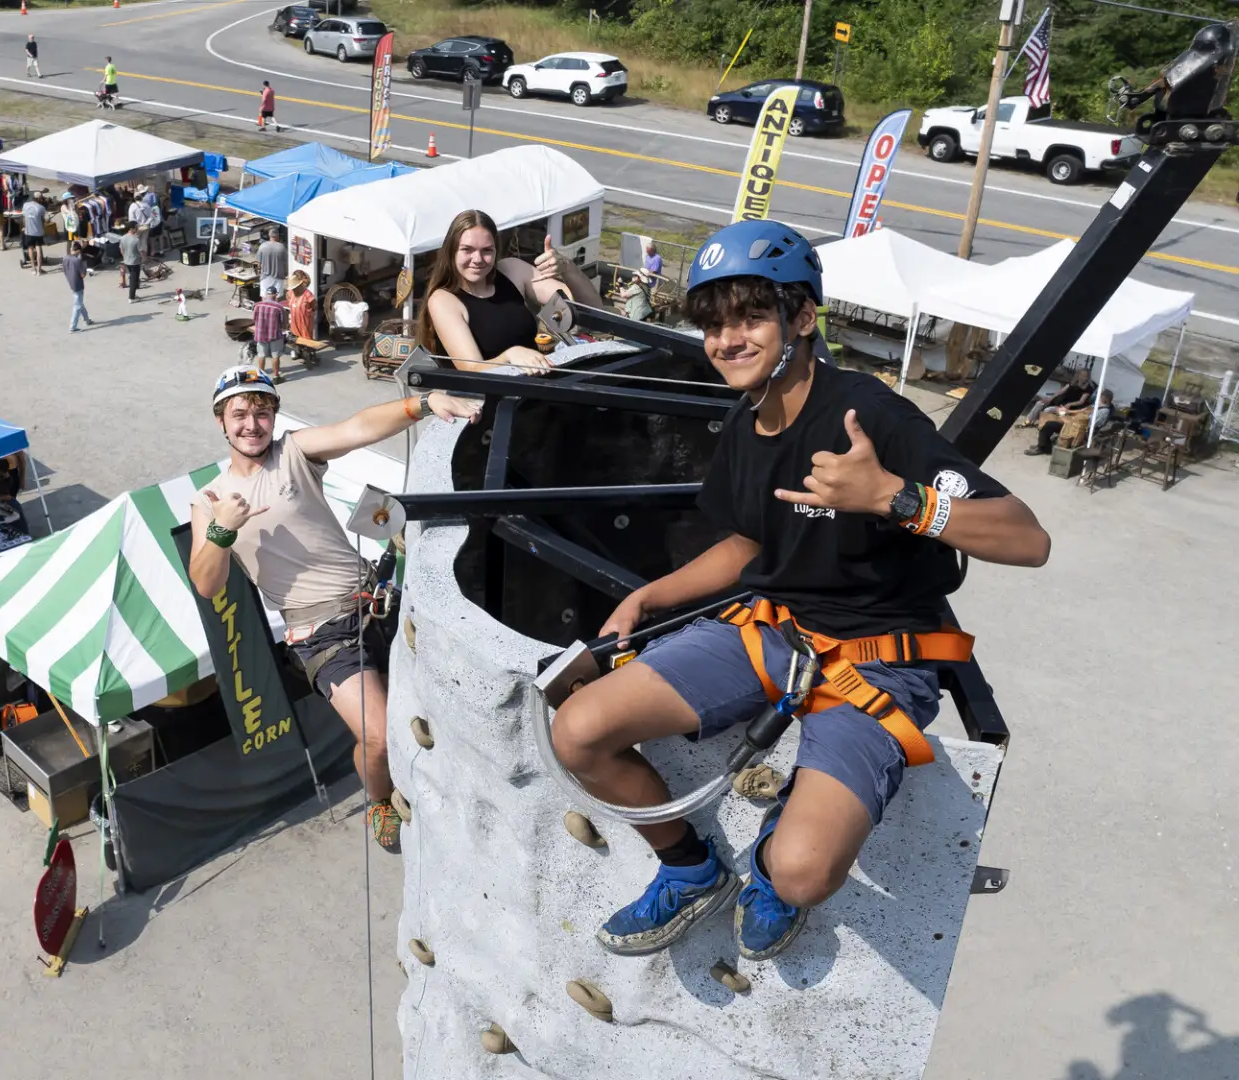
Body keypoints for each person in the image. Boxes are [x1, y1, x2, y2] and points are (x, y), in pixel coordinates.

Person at [547, 219, 1050, 964]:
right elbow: (749, 543)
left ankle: (771, 868)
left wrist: (892, 497)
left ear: (803, 318)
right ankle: (690, 870)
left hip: (876, 660)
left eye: (750, 317)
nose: (726, 341)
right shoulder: (747, 420)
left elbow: (1026, 537)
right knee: (578, 732)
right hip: (772, 631)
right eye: (714, 324)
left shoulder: (868, 416)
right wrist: (650, 598)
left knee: (804, 871)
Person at [191, 367, 480, 851]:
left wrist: (425, 404)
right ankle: (379, 800)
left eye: (262, 412)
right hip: (322, 634)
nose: (252, 424)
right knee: (380, 735)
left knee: (451, 695)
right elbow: (207, 583)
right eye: (239, 414)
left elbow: (357, 427)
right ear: (221, 422)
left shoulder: (294, 454)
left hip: (375, 601)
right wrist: (222, 528)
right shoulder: (211, 501)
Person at [414, 208, 608, 374]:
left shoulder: (512, 271)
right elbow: (472, 369)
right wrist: (510, 356)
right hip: (492, 408)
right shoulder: (444, 300)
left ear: (496, 251)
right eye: (467, 249)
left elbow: (590, 308)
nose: (478, 259)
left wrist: (567, 268)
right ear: (451, 251)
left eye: (486, 250)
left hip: (535, 391)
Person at [1028, 388, 1113, 456]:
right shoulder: (1096, 405)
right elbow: (1081, 411)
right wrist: (1067, 412)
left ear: (1103, 398)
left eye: (1100, 396)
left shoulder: (1104, 411)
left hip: (1080, 429)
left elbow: (1090, 424)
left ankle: (1043, 448)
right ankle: (1043, 445)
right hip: (1074, 423)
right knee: (1050, 419)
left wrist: (1069, 419)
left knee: (1049, 425)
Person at [1019, 366, 1095, 427]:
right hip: (1059, 402)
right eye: (1081, 375)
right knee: (1040, 403)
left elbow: (1081, 401)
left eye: (1085, 376)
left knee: (1047, 410)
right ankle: (1029, 421)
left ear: (1088, 377)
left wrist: (1070, 404)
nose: (1083, 377)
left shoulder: (1088, 388)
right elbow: (1060, 391)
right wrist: (1050, 399)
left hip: (1069, 407)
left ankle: (1040, 424)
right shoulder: (1073, 383)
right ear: (1078, 375)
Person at [251, 285, 289, 382]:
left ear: (266, 295)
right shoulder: (279, 307)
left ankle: (260, 375)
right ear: (276, 295)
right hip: (275, 336)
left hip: (260, 335)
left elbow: (253, 319)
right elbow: (284, 325)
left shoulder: (257, 305)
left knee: (261, 355)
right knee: (275, 356)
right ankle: (276, 377)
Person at [0, 451, 29, 532]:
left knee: (9, 505)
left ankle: (14, 526)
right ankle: (5, 524)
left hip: (10, 472)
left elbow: (22, 461)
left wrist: (22, 479)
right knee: (0, 504)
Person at [64, 240, 95, 332]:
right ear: (78, 251)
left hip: (71, 283)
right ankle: (72, 327)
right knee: (77, 305)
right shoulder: (77, 261)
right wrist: (85, 269)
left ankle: (87, 319)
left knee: (79, 302)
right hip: (78, 284)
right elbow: (82, 275)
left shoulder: (65, 258)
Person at [256, 227, 287, 301]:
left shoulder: (262, 246)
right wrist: (285, 273)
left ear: (269, 236)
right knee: (277, 297)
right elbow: (285, 263)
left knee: (264, 296)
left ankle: (264, 310)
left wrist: (259, 270)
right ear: (277, 236)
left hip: (265, 276)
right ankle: (275, 311)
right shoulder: (281, 247)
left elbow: (258, 262)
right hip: (279, 276)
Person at [286, 269, 317, 341]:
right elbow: (290, 303)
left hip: (305, 323)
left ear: (299, 285)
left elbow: (314, 306)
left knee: (306, 341)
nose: (293, 289)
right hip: (294, 323)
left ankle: (308, 351)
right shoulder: (289, 293)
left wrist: (308, 312)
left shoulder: (308, 294)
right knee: (296, 341)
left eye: (294, 287)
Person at [20, 193, 47, 274]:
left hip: (29, 231)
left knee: (30, 248)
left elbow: (24, 218)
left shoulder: (25, 205)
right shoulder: (41, 208)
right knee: (38, 248)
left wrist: (25, 226)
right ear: (39, 199)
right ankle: (39, 269)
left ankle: (33, 268)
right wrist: (44, 229)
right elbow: (43, 220)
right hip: (38, 231)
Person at [119, 223, 143, 303]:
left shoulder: (123, 238)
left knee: (133, 278)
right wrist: (144, 258)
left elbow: (121, 249)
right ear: (132, 229)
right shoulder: (136, 239)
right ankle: (131, 297)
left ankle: (133, 294)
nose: (137, 229)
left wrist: (125, 257)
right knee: (134, 279)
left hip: (127, 261)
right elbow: (141, 251)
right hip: (135, 262)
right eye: (136, 228)